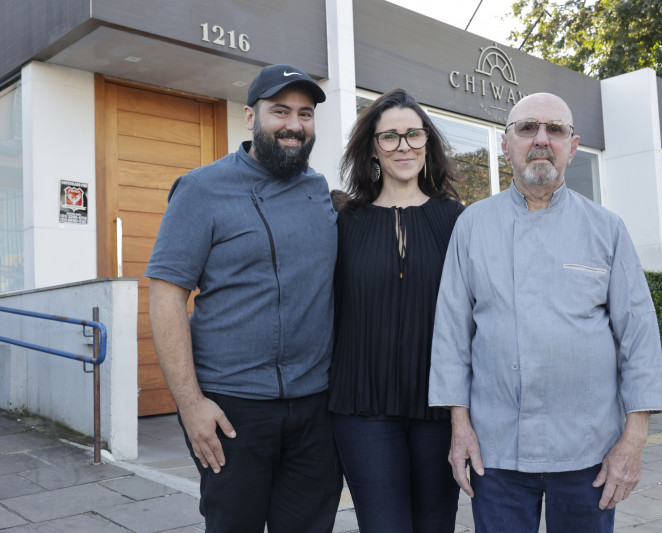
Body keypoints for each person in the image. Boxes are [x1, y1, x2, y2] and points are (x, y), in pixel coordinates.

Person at [428, 92, 662, 533]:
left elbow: (639, 338)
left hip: (589, 453)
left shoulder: (607, 229)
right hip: (495, 453)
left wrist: (633, 443)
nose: (541, 140)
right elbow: (451, 336)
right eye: (527, 128)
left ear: (572, 147)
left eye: (554, 129)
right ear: (506, 145)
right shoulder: (472, 225)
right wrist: (459, 428)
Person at [145, 63, 342, 533]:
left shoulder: (319, 191)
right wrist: (190, 403)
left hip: (316, 409)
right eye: (280, 111)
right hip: (232, 411)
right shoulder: (200, 189)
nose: (294, 125)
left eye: (306, 113)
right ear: (250, 117)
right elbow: (165, 297)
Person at [328, 88, 464, 533]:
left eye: (413, 134)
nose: (404, 146)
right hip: (363, 409)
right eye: (390, 137)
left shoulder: (457, 220)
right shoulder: (345, 222)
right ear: (372, 148)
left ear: (428, 141)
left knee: (436, 526)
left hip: (439, 410)